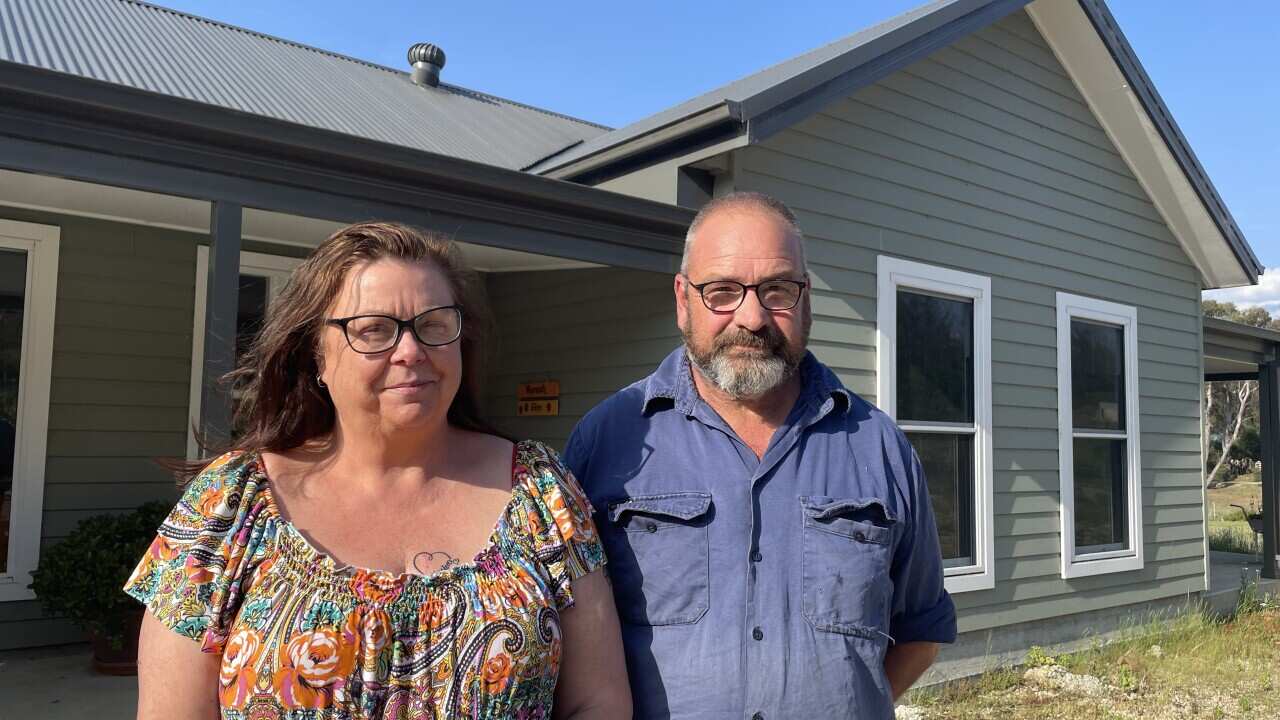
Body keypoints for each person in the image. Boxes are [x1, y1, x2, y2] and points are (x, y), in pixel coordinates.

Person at [126, 223, 629, 720]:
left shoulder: (541, 493)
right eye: (373, 330)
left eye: (434, 324)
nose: (411, 351)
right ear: (316, 356)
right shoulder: (230, 503)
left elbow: (598, 702)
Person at [563, 192, 956, 719]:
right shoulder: (606, 441)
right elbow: (565, 643)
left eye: (777, 289)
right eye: (722, 292)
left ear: (806, 299)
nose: (751, 316)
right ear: (683, 300)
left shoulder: (881, 448)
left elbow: (920, 633)